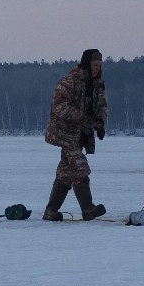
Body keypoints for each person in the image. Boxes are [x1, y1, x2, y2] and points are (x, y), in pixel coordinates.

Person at [42, 48, 109, 221]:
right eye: (95, 64)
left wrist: (100, 121)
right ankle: (87, 208)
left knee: (65, 173)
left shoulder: (97, 84)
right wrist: (82, 117)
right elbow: (58, 106)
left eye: (100, 64)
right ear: (87, 63)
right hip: (64, 133)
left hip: (81, 135)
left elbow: (102, 105)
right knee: (80, 167)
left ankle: (50, 211)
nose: (97, 68)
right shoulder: (69, 81)